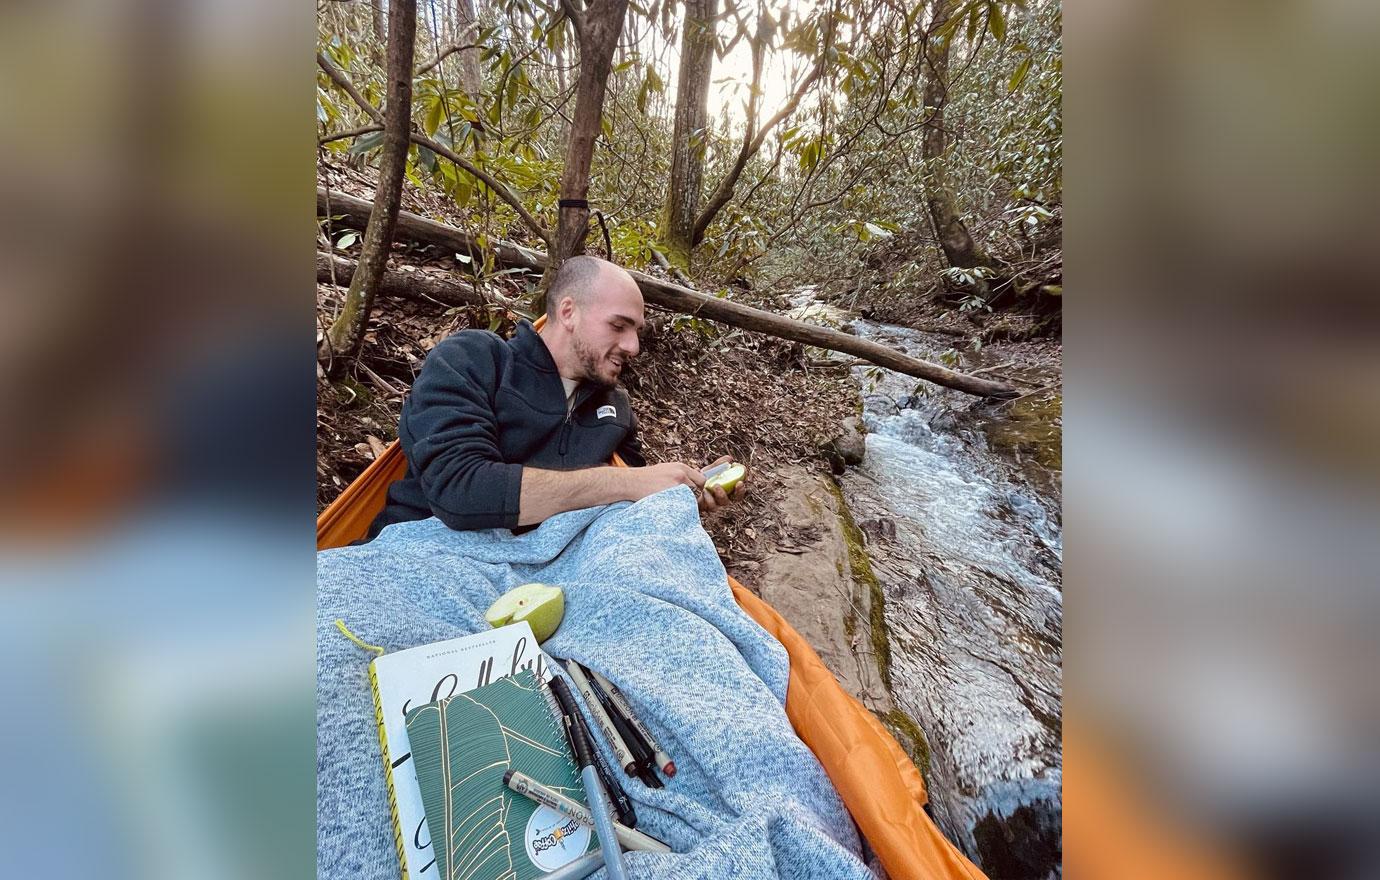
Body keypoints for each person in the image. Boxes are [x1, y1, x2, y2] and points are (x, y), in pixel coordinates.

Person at [367, 255, 744, 539]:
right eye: (619, 326)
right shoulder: (474, 359)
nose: (633, 346)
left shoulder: (616, 410)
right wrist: (627, 482)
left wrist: (675, 497)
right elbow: (460, 490)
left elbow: (623, 513)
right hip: (419, 551)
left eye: (637, 331)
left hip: (544, 579)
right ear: (568, 312)